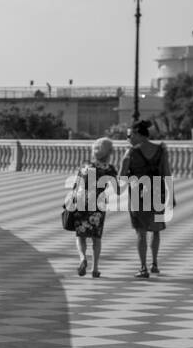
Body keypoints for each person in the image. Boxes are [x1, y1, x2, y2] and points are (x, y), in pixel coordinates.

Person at [118, 119, 172, 278]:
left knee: (141, 233)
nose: (128, 138)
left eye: (129, 134)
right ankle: (154, 264)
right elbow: (166, 172)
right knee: (156, 231)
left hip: (138, 193)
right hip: (157, 190)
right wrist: (170, 195)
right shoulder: (161, 150)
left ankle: (143, 268)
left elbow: (121, 176)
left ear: (137, 134)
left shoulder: (131, 152)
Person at [66, 137, 117, 278]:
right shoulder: (110, 169)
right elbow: (118, 189)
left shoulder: (85, 165)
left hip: (82, 201)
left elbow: (76, 185)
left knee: (80, 235)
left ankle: (82, 258)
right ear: (109, 153)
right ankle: (95, 269)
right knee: (96, 236)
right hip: (98, 204)